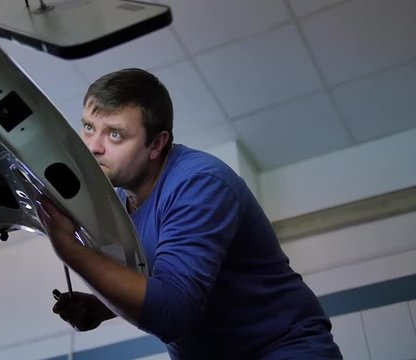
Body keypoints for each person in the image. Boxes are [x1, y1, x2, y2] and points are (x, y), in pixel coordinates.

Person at [36, 68, 342, 359]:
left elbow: (172, 313)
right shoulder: (117, 200)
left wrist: (69, 249)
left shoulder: (198, 184)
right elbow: (165, 279)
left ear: (156, 144)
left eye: (115, 135)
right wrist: (103, 307)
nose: (92, 146)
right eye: (89, 127)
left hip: (282, 350)